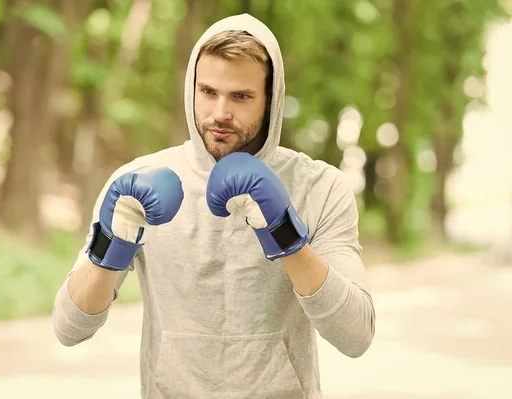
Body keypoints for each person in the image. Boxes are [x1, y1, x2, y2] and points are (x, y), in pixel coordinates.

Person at [52, 13, 375, 399]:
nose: (220, 112)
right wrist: (112, 240)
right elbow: (69, 329)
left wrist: (285, 233)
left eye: (240, 96)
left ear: (271, 100)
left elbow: (356, 336)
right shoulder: (137, 183)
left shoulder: (319, 186)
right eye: (208, 92)